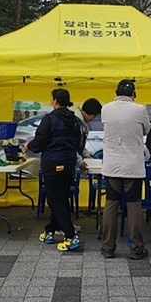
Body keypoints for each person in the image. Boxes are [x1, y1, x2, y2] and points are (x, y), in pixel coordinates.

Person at [24, 88, 84, 251]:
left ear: (55, 101)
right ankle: (49, 231)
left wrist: (28, 146)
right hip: (69, 163)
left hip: (52, 163)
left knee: (55, 200)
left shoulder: (50, 119)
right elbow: (79, 143)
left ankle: (71, 237)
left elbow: (39, 142)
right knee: (61, 199)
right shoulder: (74, 121)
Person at [100, 79, 151, 259]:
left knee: (111, 205)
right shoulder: (139, 109)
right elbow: (146, 129)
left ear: (116, 92)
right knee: (134, 206)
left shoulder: (105, 109)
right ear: (133, 94)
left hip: (112, 166)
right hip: (133, 166)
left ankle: (108, 247)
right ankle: (136, 248)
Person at [69, 98, 103, 172]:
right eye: (93, 116)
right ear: (85, 113)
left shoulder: (84, 124)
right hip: (69, 161)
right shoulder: (75, 123)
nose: (93, 119)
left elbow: (80, 144)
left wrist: (86, 154)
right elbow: (71, 147)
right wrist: (80, 162)